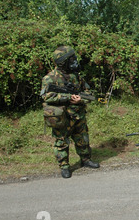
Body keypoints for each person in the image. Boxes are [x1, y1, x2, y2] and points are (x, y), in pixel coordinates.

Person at [41, 46, 99, 178]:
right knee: (61, 142)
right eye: (71, 59)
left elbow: (88, 93)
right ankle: (65, 167)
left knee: (83, 138)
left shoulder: (76, 76)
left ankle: (85, 160)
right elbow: (46, 96)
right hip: (62, 117)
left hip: (78, 114)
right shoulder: (49, 78)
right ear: (63, 62)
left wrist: (81, 99)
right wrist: (67, 98)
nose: (74, 61)